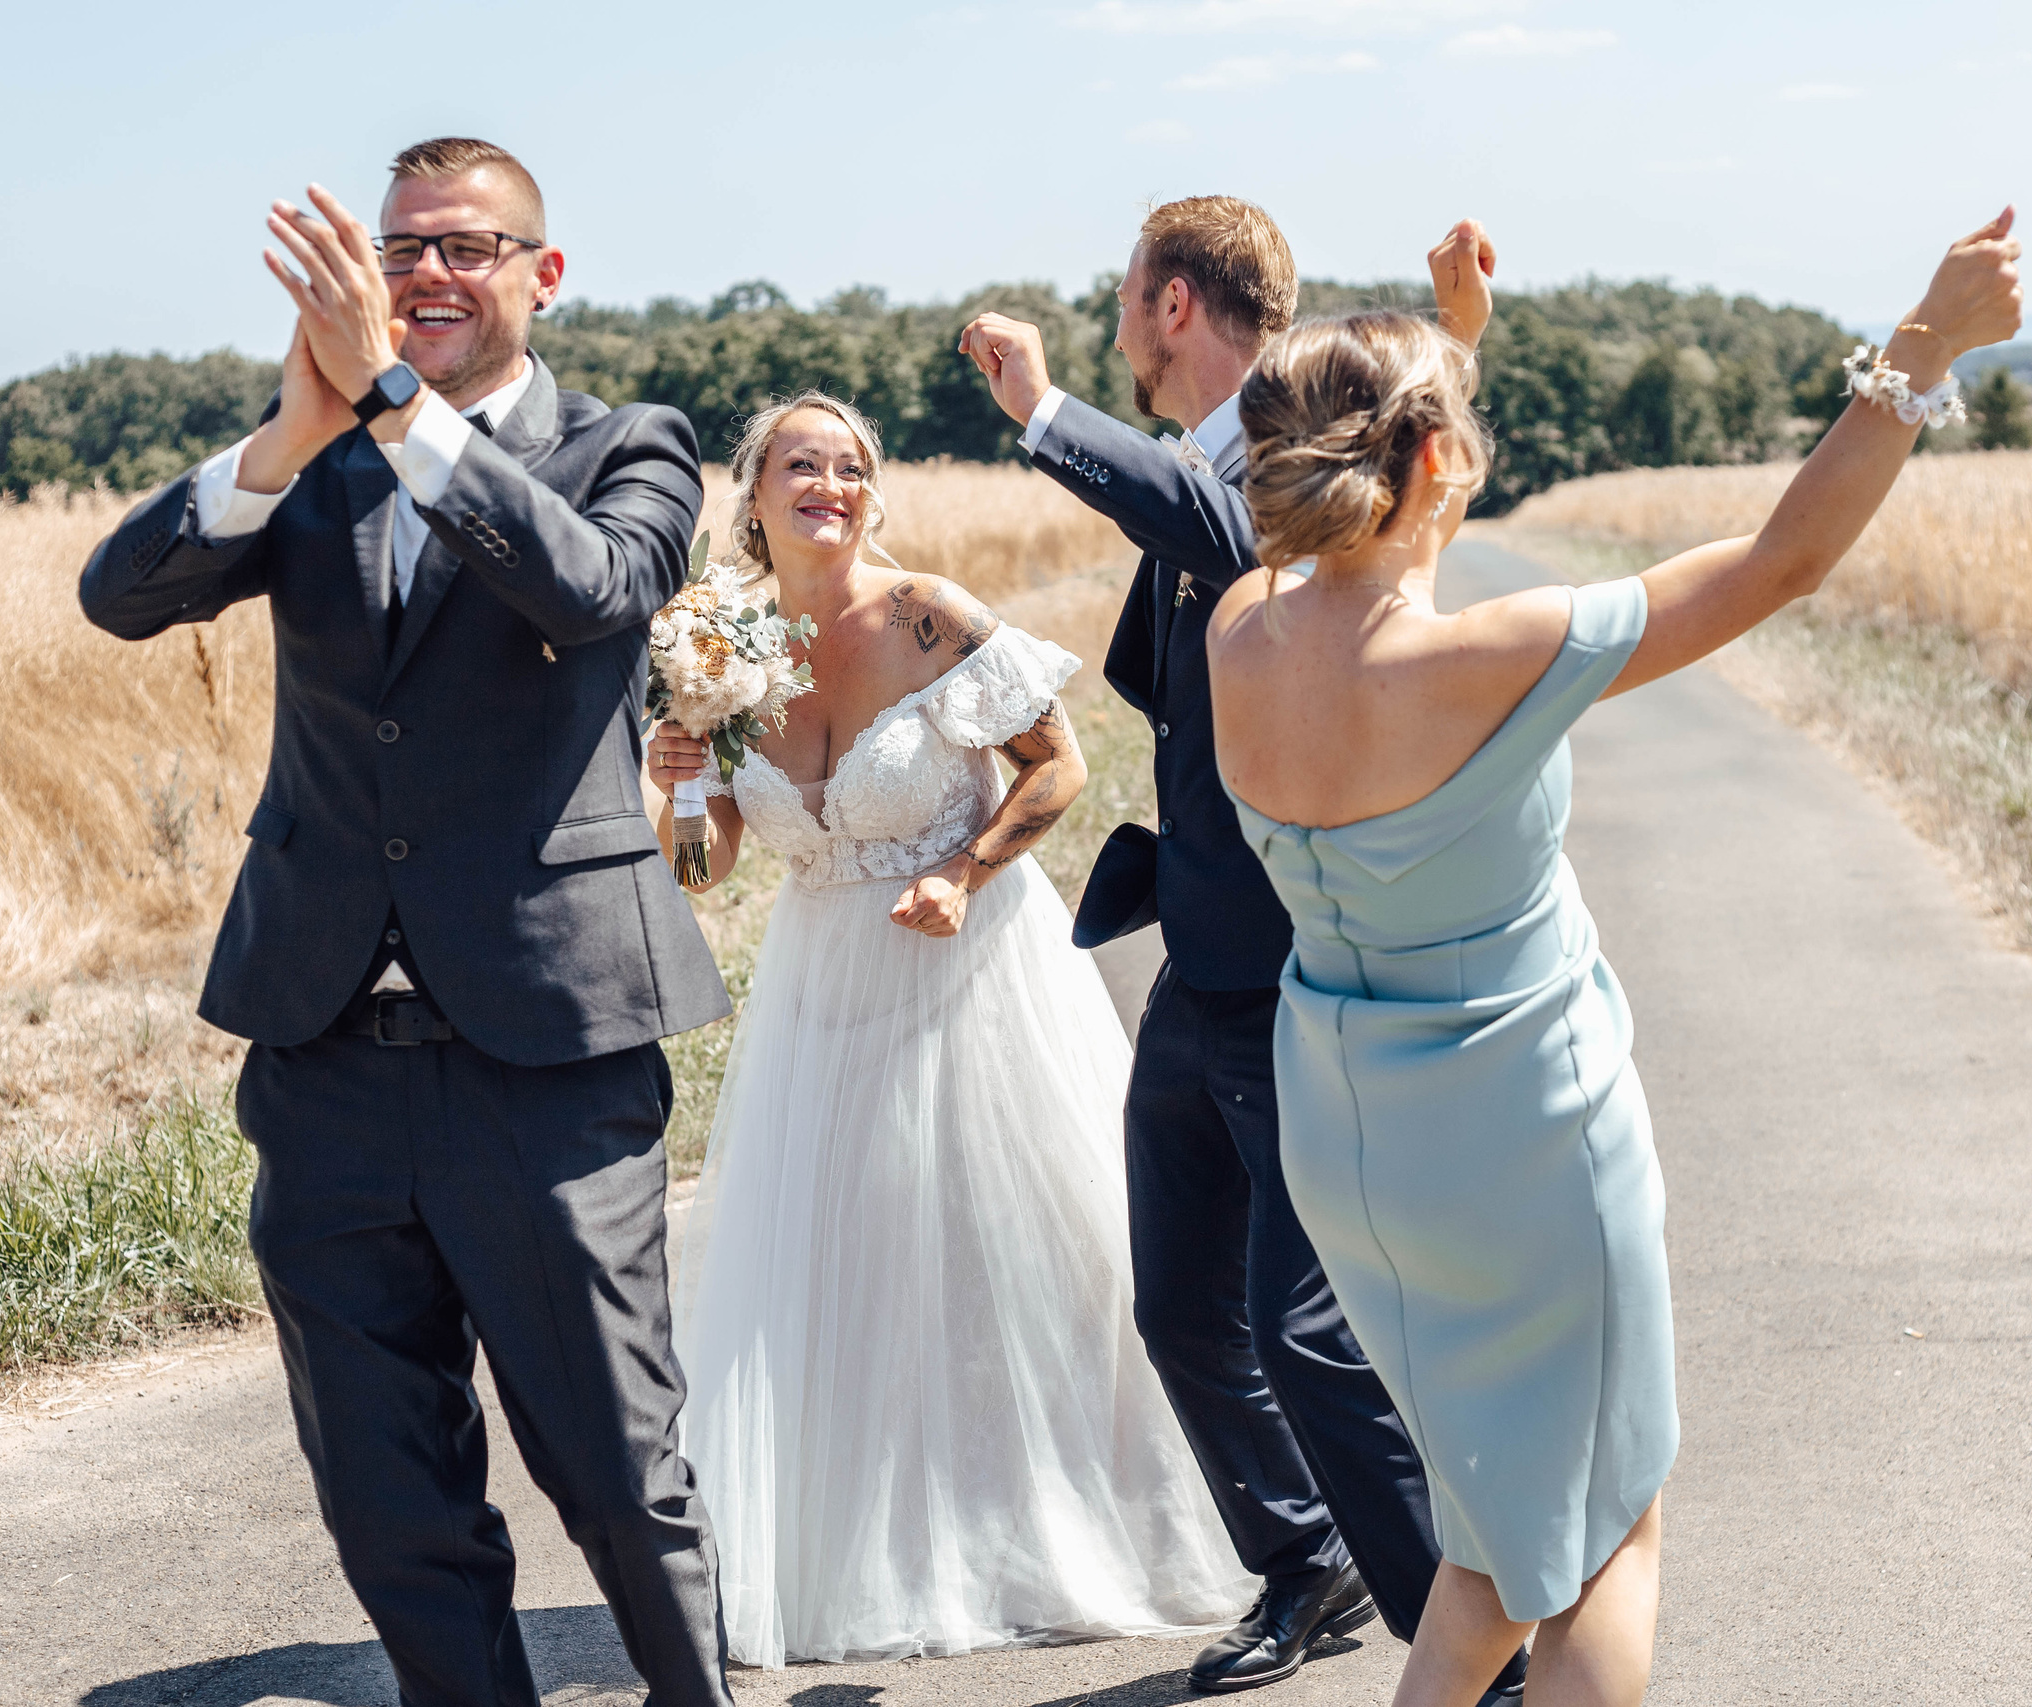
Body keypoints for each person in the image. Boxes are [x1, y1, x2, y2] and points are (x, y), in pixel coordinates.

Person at [1204, 212, 2024, 1706]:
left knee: (1492, 1541)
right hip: (1524, 1134)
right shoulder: (1499, 653)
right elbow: (1783, 561)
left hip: (1353, 1145)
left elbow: (1375, 521)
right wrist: (1926, 343)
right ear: (1437, 459)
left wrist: (1451, 342)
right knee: (1601, 1542)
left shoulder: (1241, 634)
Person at [77, 138, 737, 1707]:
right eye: (400, 250)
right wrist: (288, 435)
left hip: (547, 1050)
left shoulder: (629, 445)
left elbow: (590, 589)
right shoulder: (317, 458)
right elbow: (121, 593)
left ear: (542, 274)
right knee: (387, 1485)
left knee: (614, 1458)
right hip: (323, 1048)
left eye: (463, 245)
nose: (425, 272)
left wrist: (393, 402)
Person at [959, 198, 1528, 1701]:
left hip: (1294, 969)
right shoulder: (1220, 468)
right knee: (1180, 1303)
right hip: (1196, 956)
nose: (1117, 337)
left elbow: (1246, 518)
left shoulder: (1271, 472)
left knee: (1307, 1331)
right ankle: (1300, 1557)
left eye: (1123, 305)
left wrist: (1043, 413)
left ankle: (1477, 1653)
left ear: (1169, 305)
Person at [648, 392, 1255, 1669]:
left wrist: (963, 872)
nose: (829, 484)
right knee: (850, 1259)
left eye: (850, 466)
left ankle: (1103, 1513)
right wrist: (682, 790)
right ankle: (874, 1543)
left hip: (968, 959)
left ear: (874, 493)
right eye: (802, 464)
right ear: (754, 493)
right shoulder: (718, 641)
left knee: (1022, 1242)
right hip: (822, 982)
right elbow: (707, 871)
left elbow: (1057, 764)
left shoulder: (928, 613)